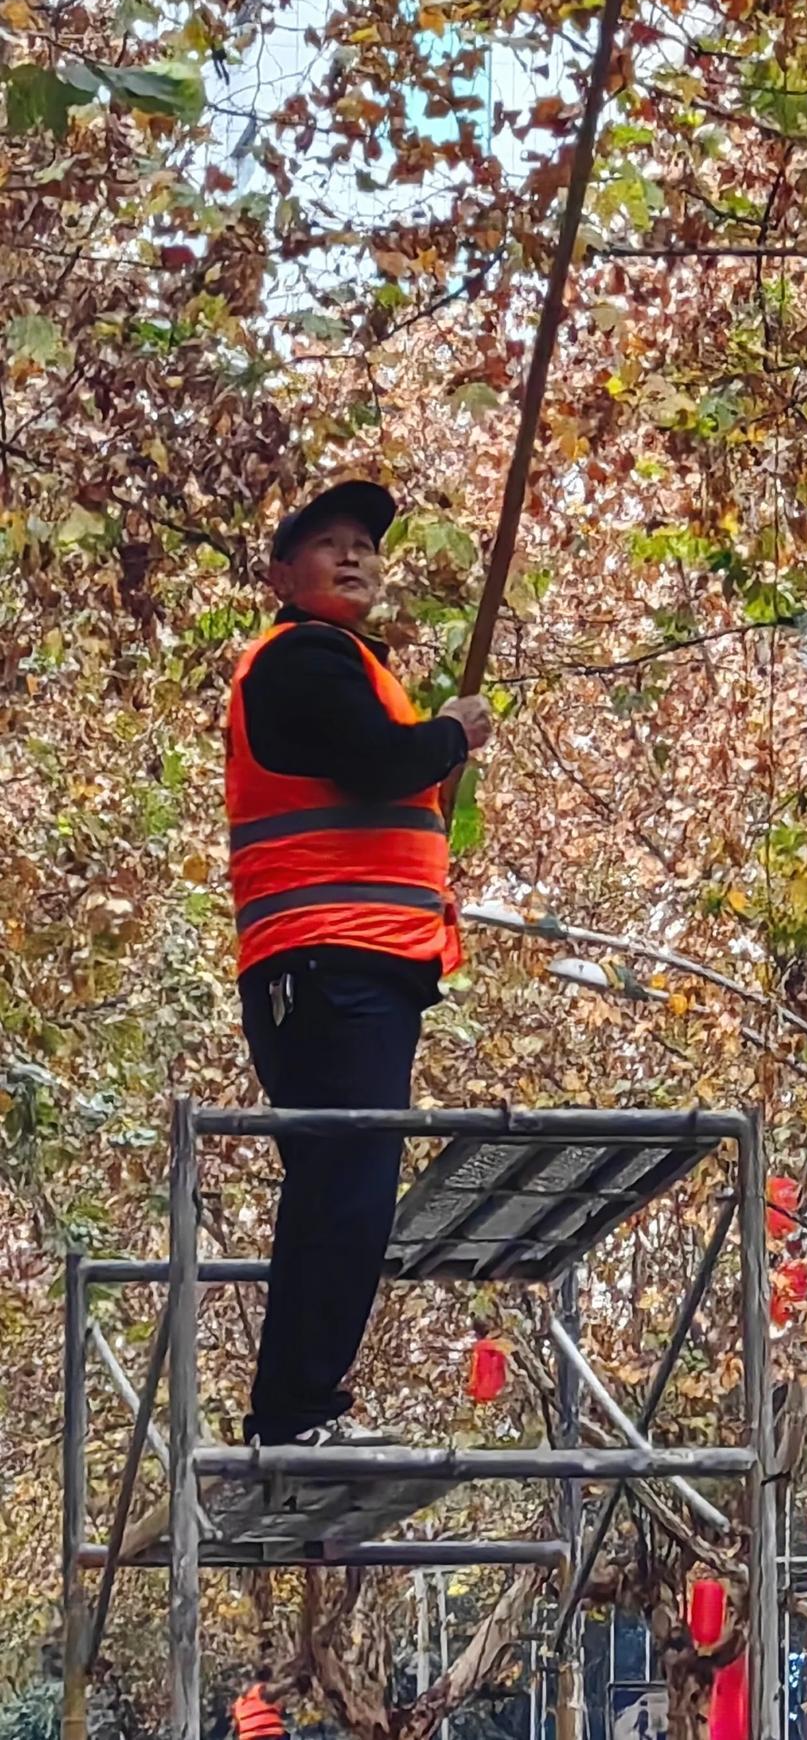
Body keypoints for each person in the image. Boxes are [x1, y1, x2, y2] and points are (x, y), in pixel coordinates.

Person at [225, 478, 491, 1446]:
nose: (351, 557)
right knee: (344, 1191)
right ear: (281, 575)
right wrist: (449, 733)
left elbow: (380, 773)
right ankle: (295, 1409)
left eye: (364, 546)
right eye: (326, 543)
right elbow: (376, 761)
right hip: (329, 959)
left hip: (346, 963)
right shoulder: (305, 657)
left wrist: (434, 745)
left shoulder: (336, 666)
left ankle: (297, 1406)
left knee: (342, 1188)